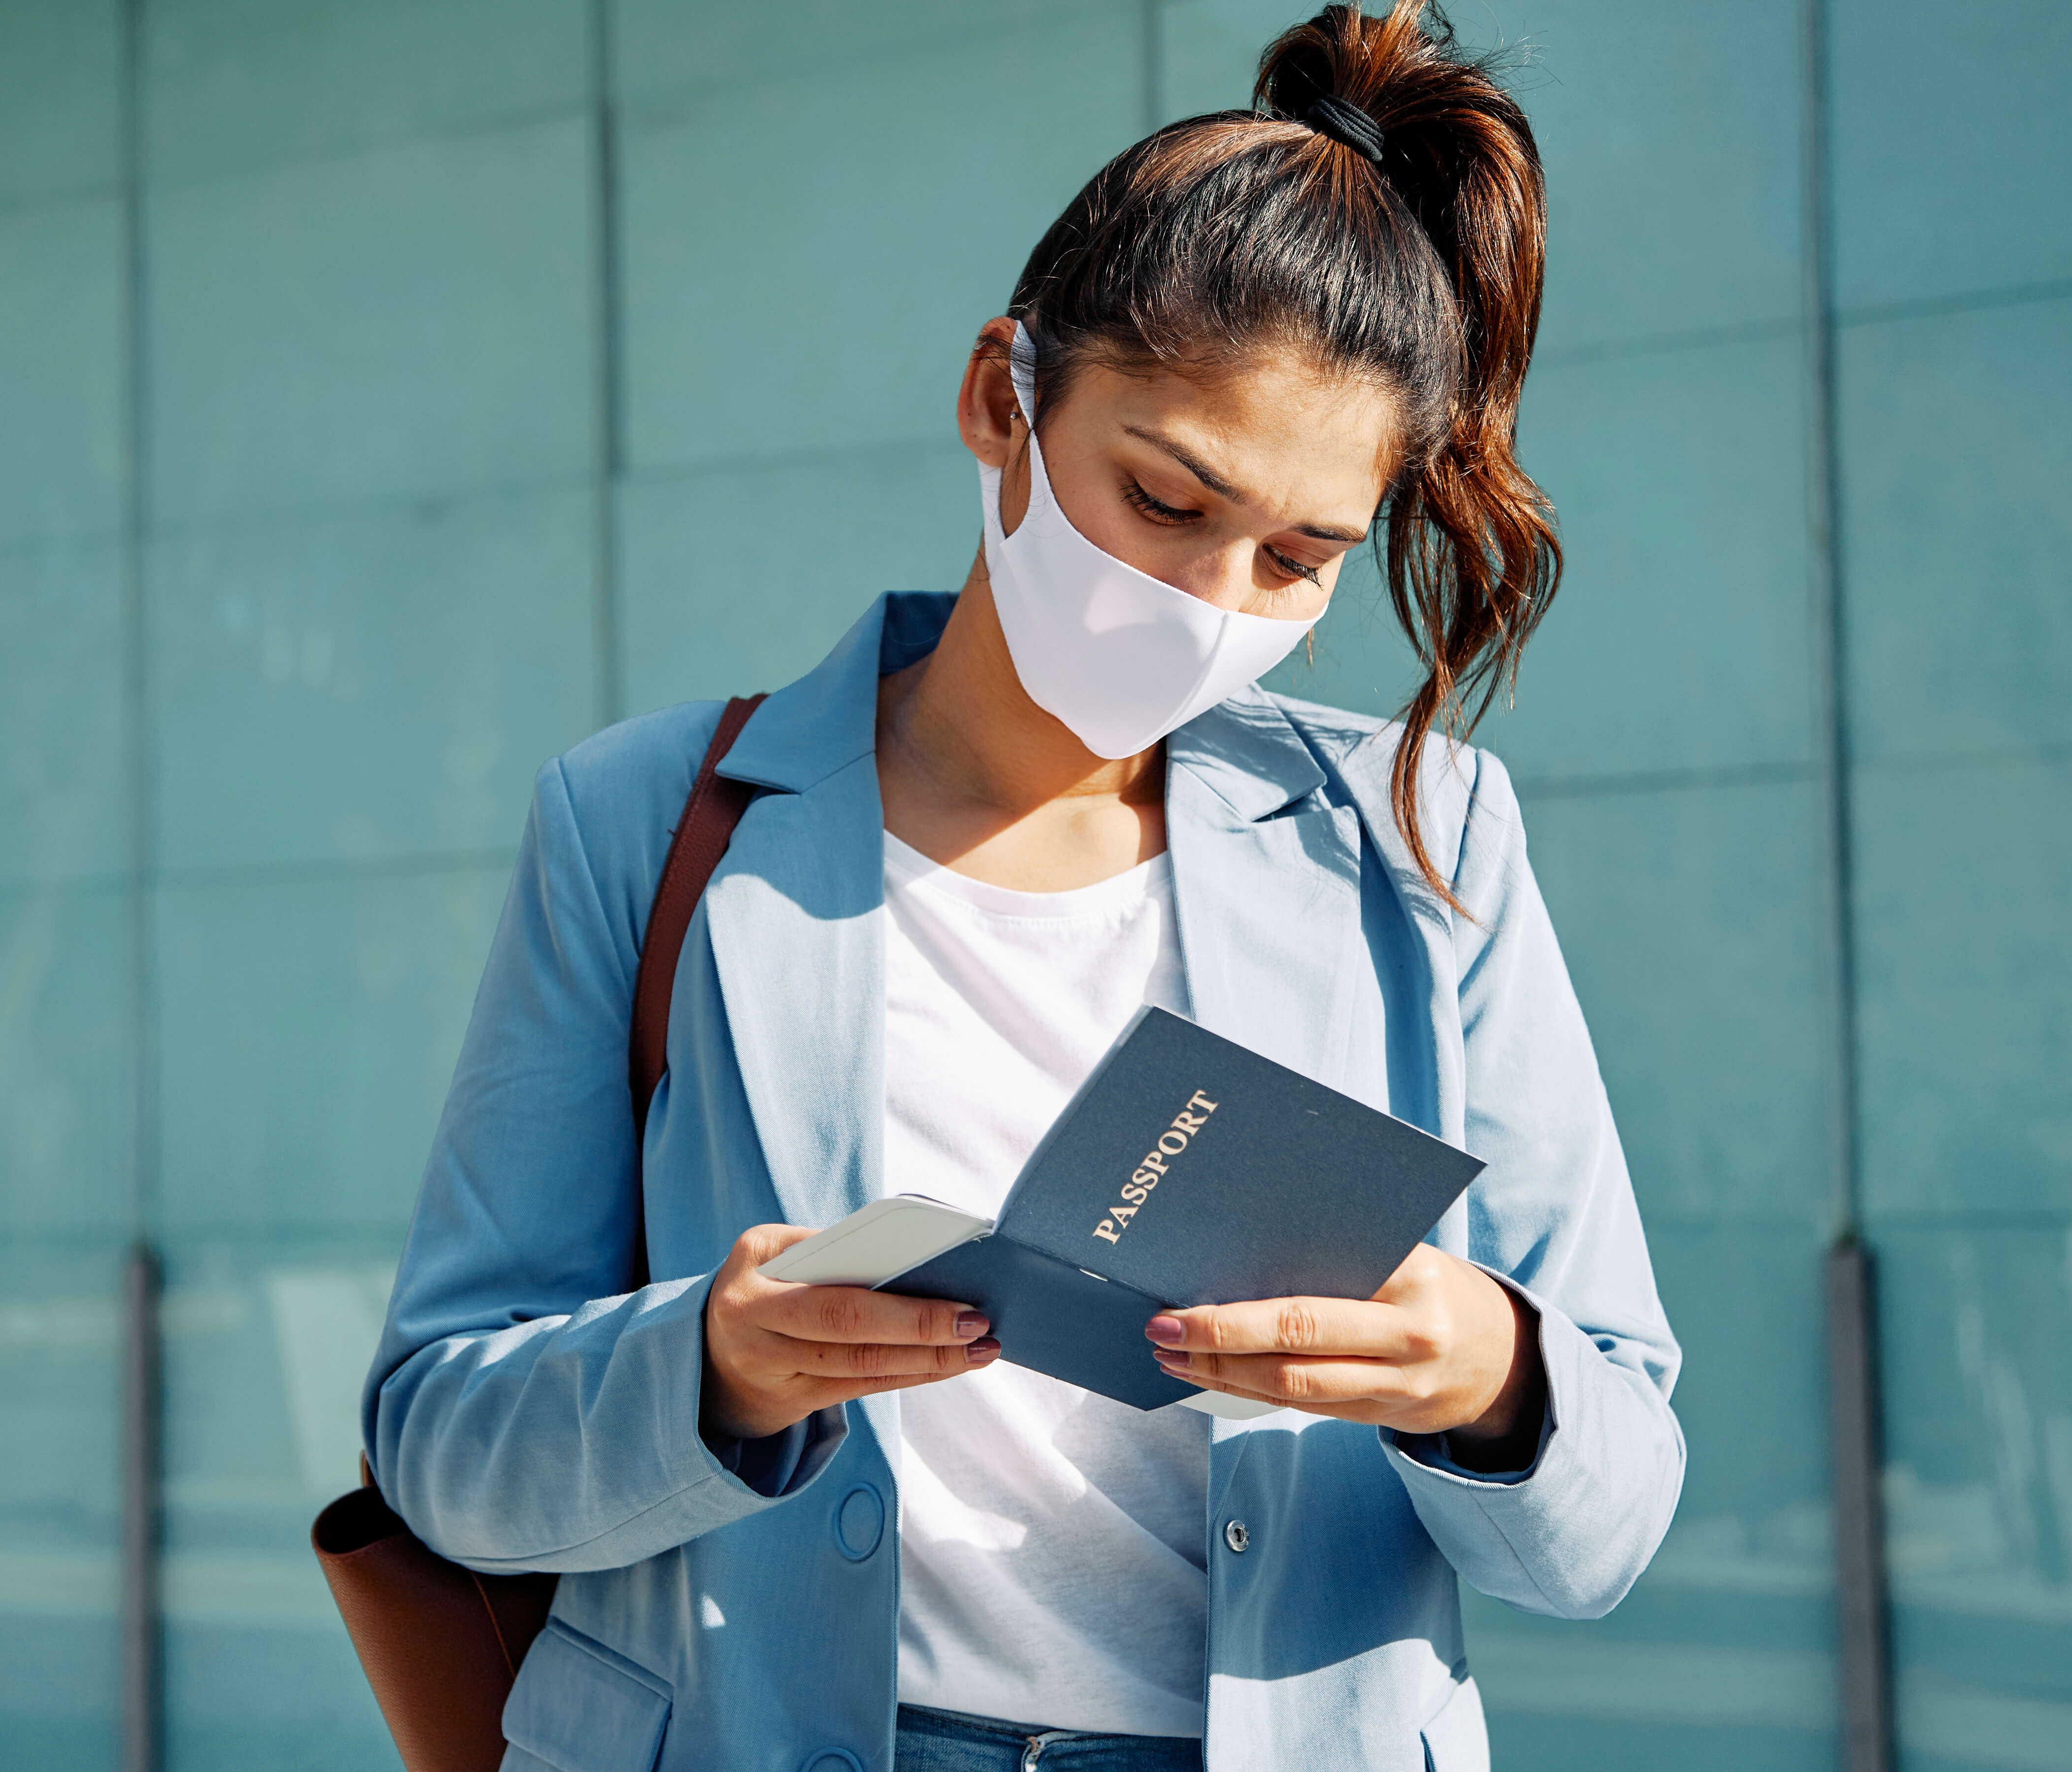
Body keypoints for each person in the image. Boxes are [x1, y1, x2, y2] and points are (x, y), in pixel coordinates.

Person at [362, 5, 1682, 1767]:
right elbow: (442, 1443)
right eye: (1163, 499)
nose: (1218, 595)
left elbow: (1614, 1510)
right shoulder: (646, 819)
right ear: (1007, 398)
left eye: (1300, 557)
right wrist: (716, 1365)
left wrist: (1492, 1380)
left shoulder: (1426, 839)